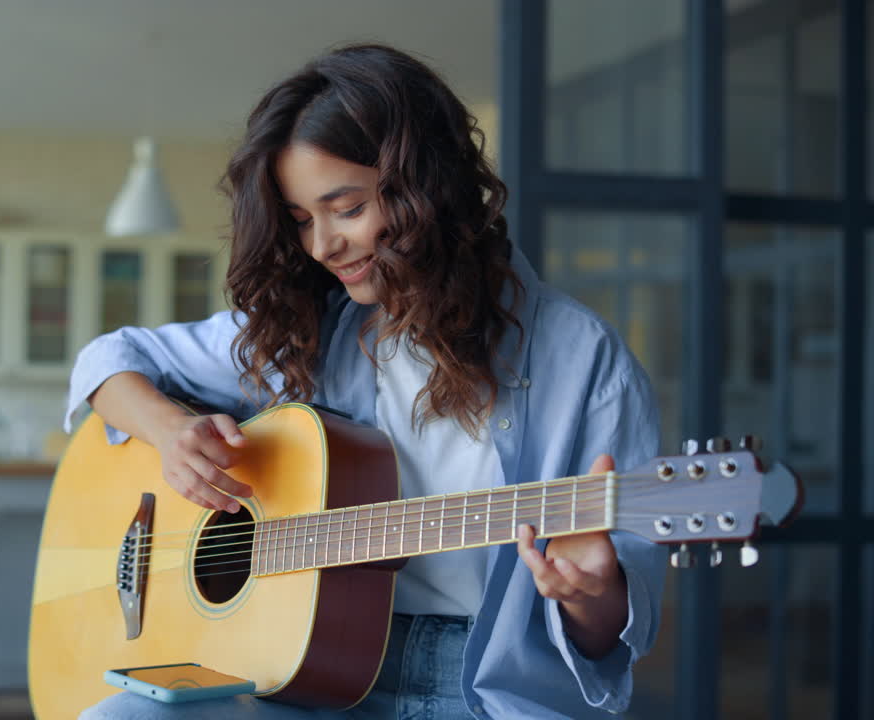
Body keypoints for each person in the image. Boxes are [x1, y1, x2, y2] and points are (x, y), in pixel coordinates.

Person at [67, 43, 665, 720]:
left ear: (426, 190)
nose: (321, 246)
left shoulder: (583, 359)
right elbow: (109, 361)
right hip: (300, 680)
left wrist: (588, 592)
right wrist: (170, 431)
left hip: (486, 692)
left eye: (345, 209)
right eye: (300, 221)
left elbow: (617, 626)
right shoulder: (310, 330)